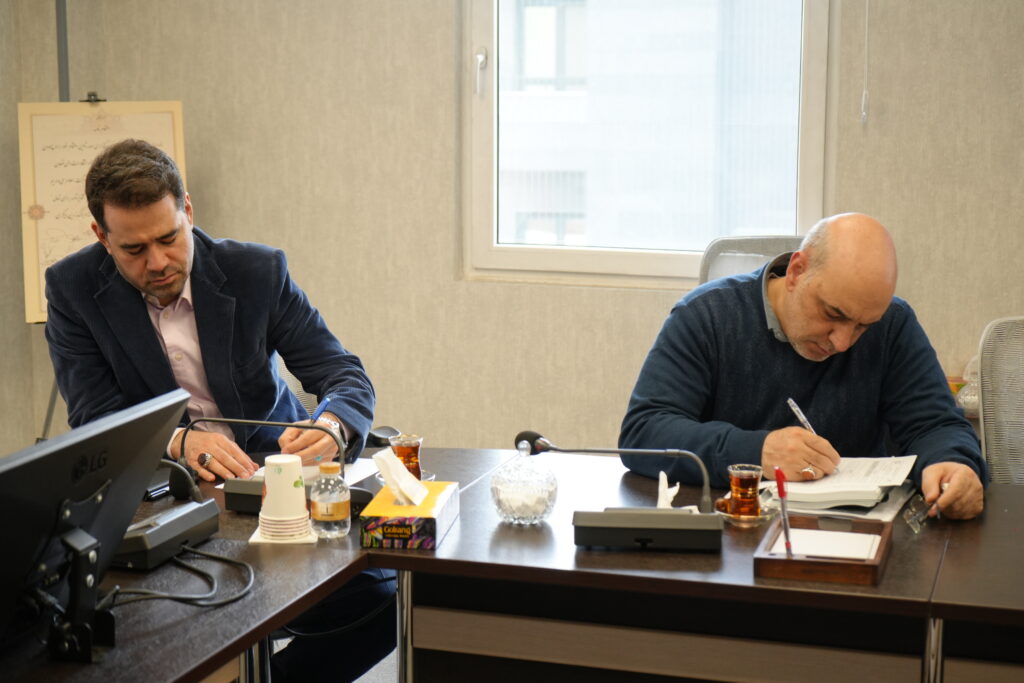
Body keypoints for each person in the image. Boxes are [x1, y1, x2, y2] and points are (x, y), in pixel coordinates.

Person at [44, 138, 393, 681]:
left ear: (188, 209)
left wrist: (332, 425)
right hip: (168, 499)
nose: (158, 262)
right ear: (101, 236)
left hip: (275, 483)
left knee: (380, 601)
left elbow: (342, 373)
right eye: (134, 249)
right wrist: (180, 440)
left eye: (169, 238)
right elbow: (93, 414)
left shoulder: (255, 270)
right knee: (144, 623)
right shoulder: (72, 289)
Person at [619, 213, 987, 520]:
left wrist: (954, 464)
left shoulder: (892, 325)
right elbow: (644, 432)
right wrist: (755, 452)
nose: (842, 342)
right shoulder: (707, 316)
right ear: (796, 270)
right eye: (833, 314)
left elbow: (935, 424)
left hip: (857, 532)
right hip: (734, 533)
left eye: (862, 326)